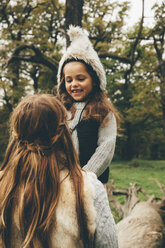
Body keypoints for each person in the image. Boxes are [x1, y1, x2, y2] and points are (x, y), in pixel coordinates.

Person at [0, 94, 118, 248]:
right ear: (63, 132)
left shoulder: (3, 184)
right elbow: (109, 244)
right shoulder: (88, 187)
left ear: (16, 133)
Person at [57, 25, 120, 184]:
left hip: (92, 181)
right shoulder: (61, 110)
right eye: (69, 80)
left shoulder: (103, 112)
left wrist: (85, 176)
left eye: (80, 78)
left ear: (95, 79)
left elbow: (106, 148)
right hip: (62, 179)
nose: (74, 84)